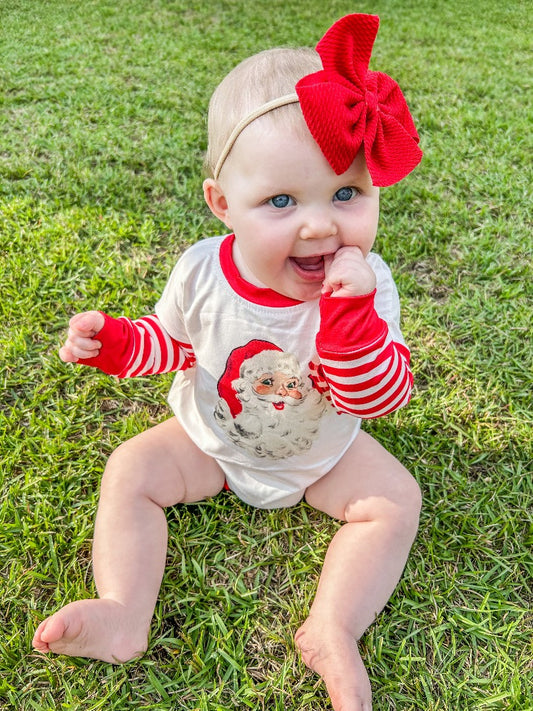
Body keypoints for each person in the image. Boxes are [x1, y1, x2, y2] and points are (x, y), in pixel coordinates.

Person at [33, 13, 423, 711]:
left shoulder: (371, 285)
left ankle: (333, 625)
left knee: (394, 502)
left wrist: (347, 314)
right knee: (131, 468)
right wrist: (117, 342)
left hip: (322, 453)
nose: (319, 224)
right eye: (280, 200)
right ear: (223, 204)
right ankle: (123, 609)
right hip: (210, 441)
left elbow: (376, 397)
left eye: (346, 193)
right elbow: (174, 342)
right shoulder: (201, 271)